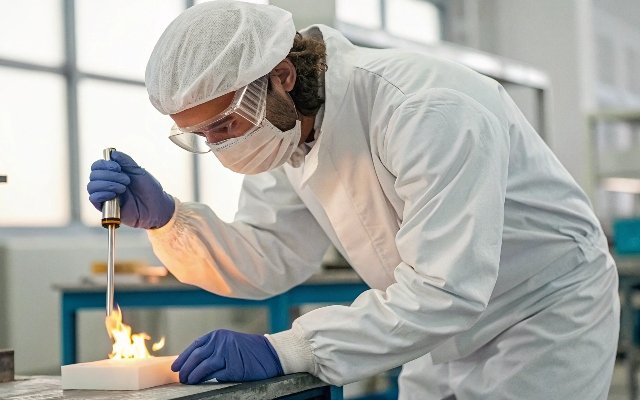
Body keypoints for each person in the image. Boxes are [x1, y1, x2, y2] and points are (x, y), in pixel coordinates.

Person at [86, 1, 619, 398]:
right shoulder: (285, 134)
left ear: (282, 77)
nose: (220, 146)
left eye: (224, 124)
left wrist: (288, 349)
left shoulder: (425, 110)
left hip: (540, 315)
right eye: (201, 135)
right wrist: (168, 220)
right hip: (438, 332)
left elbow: (445, 287)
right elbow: (269, 256)